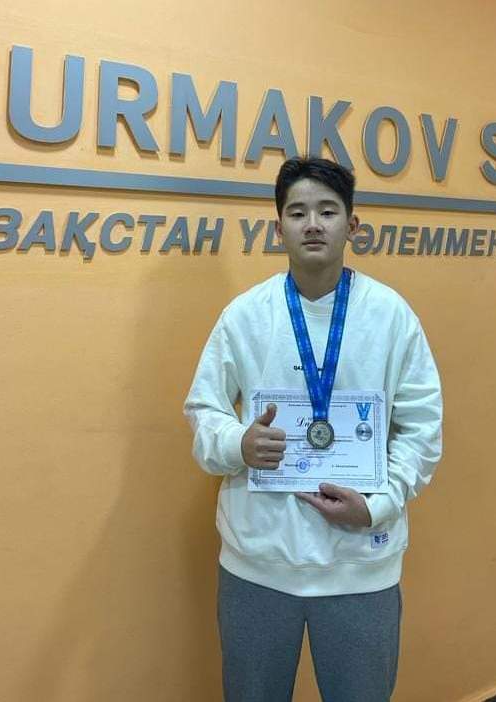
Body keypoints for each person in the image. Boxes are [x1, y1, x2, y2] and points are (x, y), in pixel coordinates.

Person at [183, 157, 443, 702]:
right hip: (257, 564)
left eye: (328, 211)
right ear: (278, 228)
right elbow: (204, 410)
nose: (313, 224)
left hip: (360, 563)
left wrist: (376, 506)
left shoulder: (391, 316)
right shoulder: (245, 316)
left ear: (353, 224)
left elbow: (422, 427)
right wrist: (237, 443)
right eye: (298, 213)